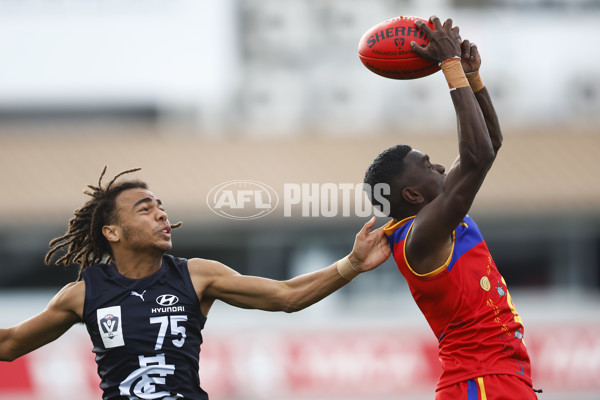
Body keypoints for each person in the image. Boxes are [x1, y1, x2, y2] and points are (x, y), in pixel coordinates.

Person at [0, 166, 391, 400]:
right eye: (145, 208)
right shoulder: (84, 293)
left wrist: (352, 263)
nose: (161, 215)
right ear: (113, 232)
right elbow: (9, 344)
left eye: (161, 207)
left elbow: (285, 296)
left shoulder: (197, 275)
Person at [363, 16, 540, 400]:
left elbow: (488, 146)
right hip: (481, 384)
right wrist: (449, 67)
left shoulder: (437, 217)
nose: (441, 166)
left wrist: (473, 78)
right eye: (427, 165)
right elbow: (475, 158)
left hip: (493, 379)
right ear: (411, 195)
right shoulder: (419, 237)